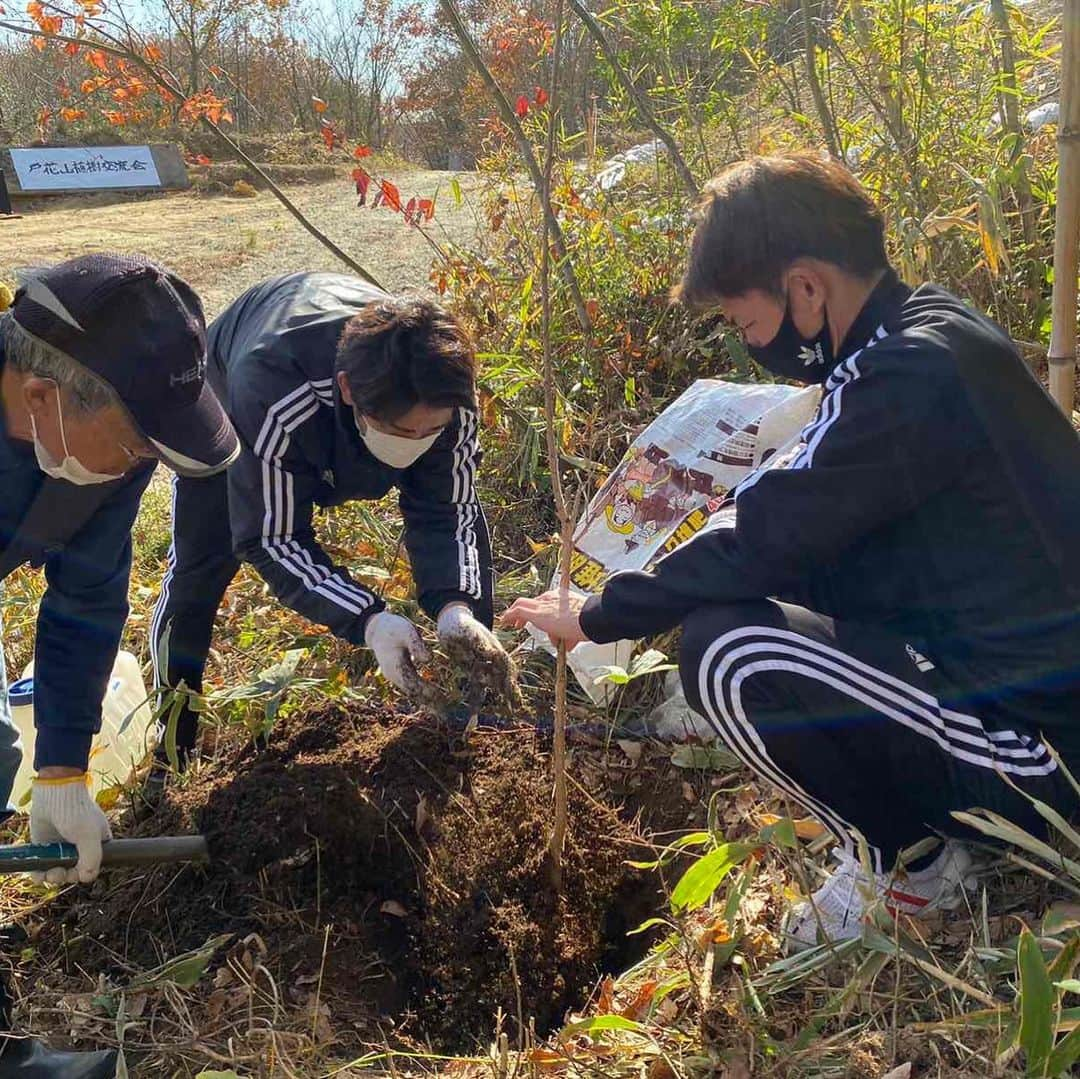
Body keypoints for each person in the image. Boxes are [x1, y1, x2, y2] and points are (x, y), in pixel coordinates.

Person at [503, 153, 1080, 949]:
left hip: (1048, 759)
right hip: (1011, 683)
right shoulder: (936, 328)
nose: (750, 346)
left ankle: (909, 871)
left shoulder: (903, 375)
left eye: (747, 323)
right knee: (777, 600)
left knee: (728, 651)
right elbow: (821, 525)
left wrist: (602, 612)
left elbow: (766, 537)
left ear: (806, 288)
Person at [0, 253, 239, 1075]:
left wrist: (63, 766)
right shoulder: (81, 429)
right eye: (139, 441)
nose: (144, 461)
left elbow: (85, 600)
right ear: (40, 397)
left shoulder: (94, 452)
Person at [148, 271, 513, 781]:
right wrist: (370, 621)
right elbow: (272, 538)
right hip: (231, 401)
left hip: (342, 397)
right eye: (403, 432)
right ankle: (172, 745)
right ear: (348, 391)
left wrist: (457, 606)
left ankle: (463, 732)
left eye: (432, 431)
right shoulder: (271, 390)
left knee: (465, 613)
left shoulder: (450, 399)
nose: (418, 443)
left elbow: (449, 510)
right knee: (199, 570)